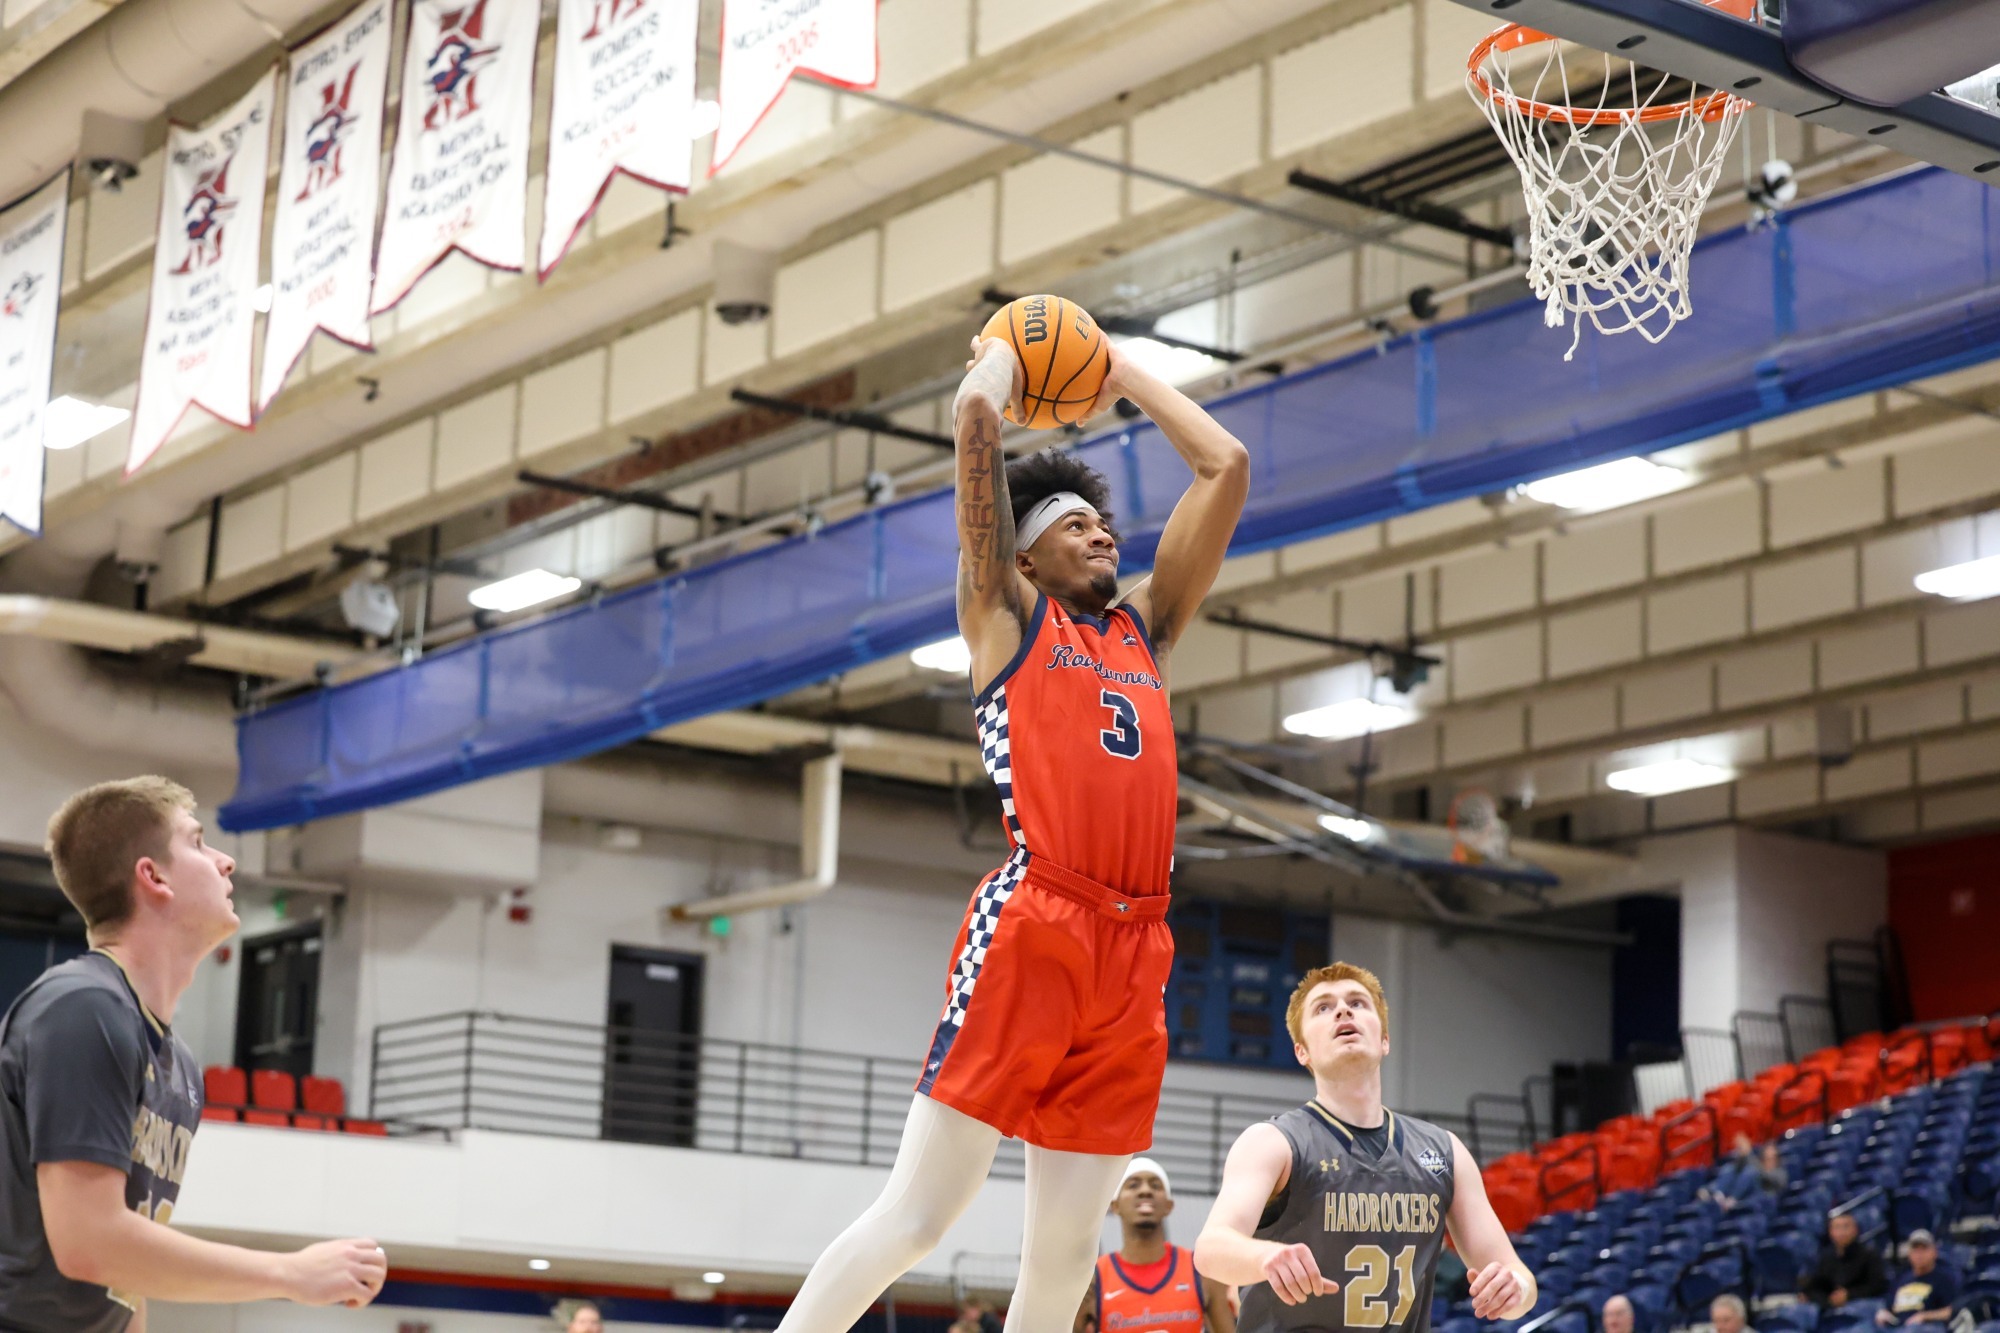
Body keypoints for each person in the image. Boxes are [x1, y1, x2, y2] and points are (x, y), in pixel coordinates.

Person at [772, 329, 1249, 1333]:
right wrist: (994, 366)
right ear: (1025, 552)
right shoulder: (1005, 614)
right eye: (1077, 525)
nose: (1103, 536)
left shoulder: (1146, 630)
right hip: (1038, 921)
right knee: (918, 1216)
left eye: (1104, 523)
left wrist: (1120, 373)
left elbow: (1226, 466)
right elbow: (977, 431)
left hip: (1137, 946)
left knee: (1065, 1254)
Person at [0, 777, 388, 1333]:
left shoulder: (177, 1063)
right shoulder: (84, 1008)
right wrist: (290, 1273)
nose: (226, 861)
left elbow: (125, 1281)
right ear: (153, 876)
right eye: (199, 842)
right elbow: (90, 1243)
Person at [1192, 964, 1538, 1332]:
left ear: (1385, 1040)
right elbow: (1211, 1249)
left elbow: (1518, 1276)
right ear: (1302, 1051)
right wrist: (1265, 1256)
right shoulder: (1272, 1142)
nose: (1343, 1010)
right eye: (1323, 1007)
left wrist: (1515, 1289)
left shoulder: (1445, 1151)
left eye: (1357, 1003)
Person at [1076, 1157, 1236, 1333]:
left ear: (1168, 1205)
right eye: (1133, 1185)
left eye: (1155, 1186)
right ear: (1115, 1205)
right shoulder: (1093, 1279)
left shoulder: (1200, 1269)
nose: (1145, 1191)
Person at [1875, 1230, 1958, 1328]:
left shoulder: (1944, 1279)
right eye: (1915, 1249)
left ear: (1934, 1252)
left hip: (1926, 1327)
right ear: (1909, 1254)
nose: (1919, 1254)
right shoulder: (1901, 1280)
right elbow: (1889, 1307)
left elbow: (1951, 1311)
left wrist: (1924, 1316)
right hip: (1898, 1327)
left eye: (1924, 1249)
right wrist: (1884, 1313)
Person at [1805, 1212, 1888, 1309]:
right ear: (1830, 1232)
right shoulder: (1826, 1257)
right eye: (1837, 1227)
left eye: (1846, 1226)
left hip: (1861, 1305)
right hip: (1830, 1306)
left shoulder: (1869, 1254)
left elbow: (1878, 1285)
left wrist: (1849, 1294)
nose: (1842, 1232)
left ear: (1856, 1229)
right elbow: (1817, 1286)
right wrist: (1826, 1299)